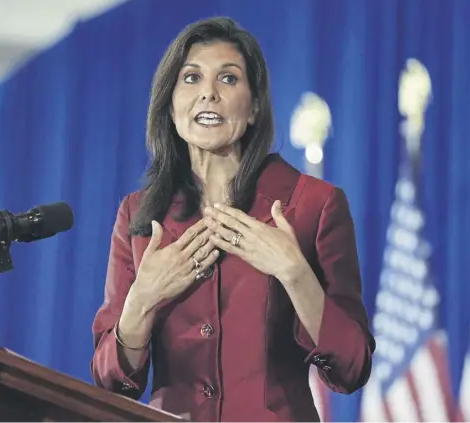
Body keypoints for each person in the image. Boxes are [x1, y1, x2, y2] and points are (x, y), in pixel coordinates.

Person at [91, 16, 375, 422]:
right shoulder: (138, 215)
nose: (208, 92)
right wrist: (141, 300)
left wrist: (295, 273)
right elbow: (111, 382)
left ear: (255, 105)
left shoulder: (314, 204)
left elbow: (351, 368)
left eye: (228, 79)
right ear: (170, 106)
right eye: (190, 78)